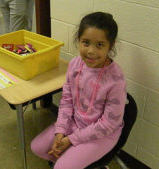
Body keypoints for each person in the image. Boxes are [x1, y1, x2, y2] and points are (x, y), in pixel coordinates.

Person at [31, 12, 127, 169]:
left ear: (111, 45)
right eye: (86, 42)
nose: (91, 51)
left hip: (102, 135)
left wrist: (71, 139)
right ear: (79, 41)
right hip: (75, 123)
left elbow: (109, 124)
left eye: (100, 45)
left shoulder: (116, 79)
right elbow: (67, 100)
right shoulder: (75, 64)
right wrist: (61, 131)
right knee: (37, 147)